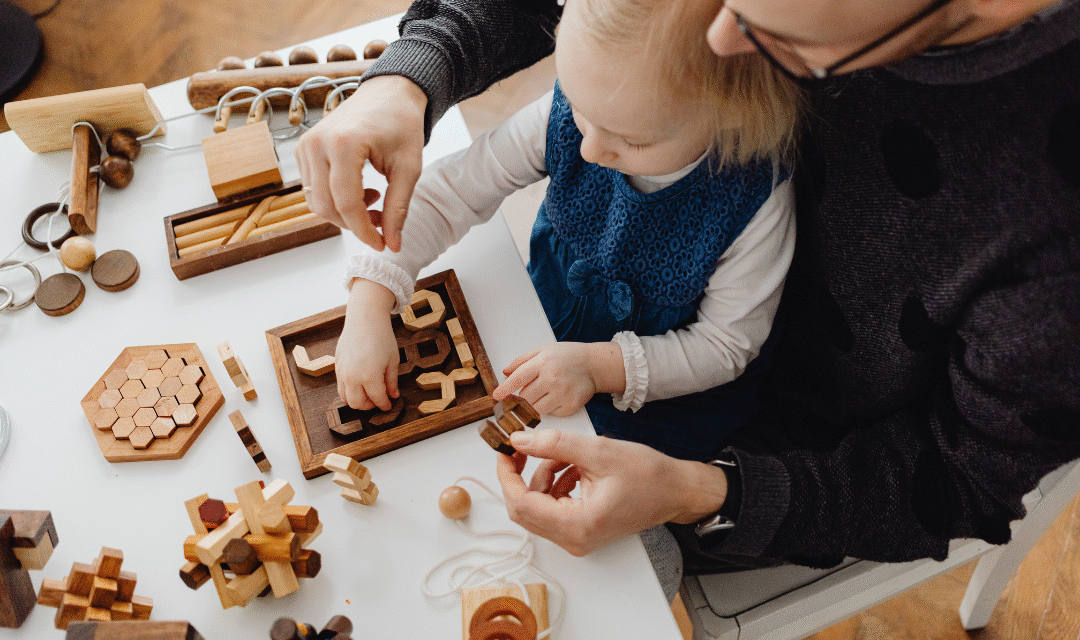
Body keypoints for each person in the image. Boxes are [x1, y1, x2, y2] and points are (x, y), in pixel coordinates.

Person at [297, 0, 1080, 576]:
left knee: (600, 579)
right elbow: (459, 186)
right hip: (551, 333)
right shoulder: (599, 103)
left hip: (731, 442)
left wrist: (689, 489)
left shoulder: (751, 185)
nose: (721, 30)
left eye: (775, 34)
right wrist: (406, 84)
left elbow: (946, 476)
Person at [332, 0, 802, 463]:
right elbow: (447, 194)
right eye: (577, 105)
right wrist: (371, 297)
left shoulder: (754, 198)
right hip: (542, 337)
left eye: (631, 140)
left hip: (661, 404)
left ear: (732, 114)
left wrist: (599, 368)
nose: (591, 148)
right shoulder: (589, 110)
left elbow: (724, 347)